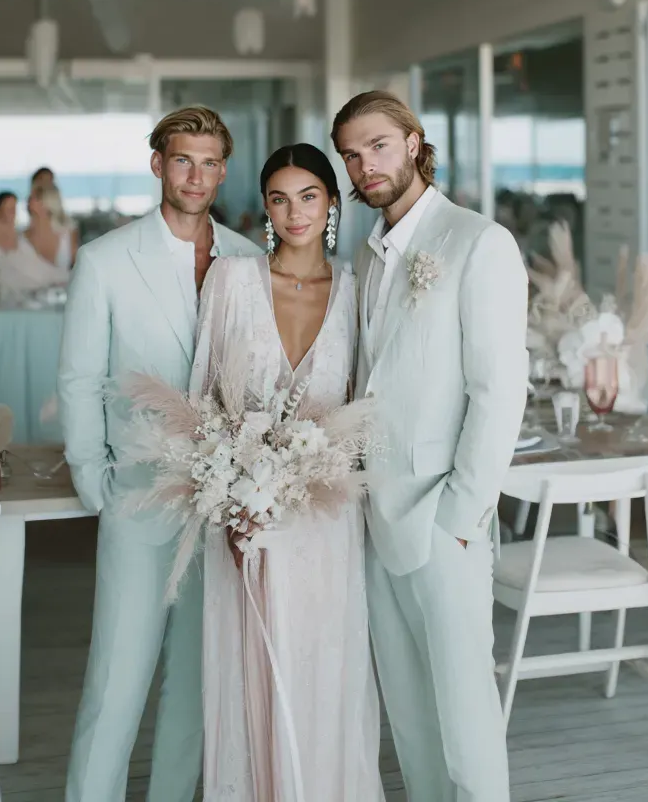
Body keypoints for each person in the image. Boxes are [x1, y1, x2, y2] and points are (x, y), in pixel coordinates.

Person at [59, 106, 262, 802]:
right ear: (158, 165)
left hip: (221, 509)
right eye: (183, 160)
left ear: (223, 171)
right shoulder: (105, 260)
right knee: (116, 684)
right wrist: (97, 484)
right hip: (139, 499)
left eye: (209, 163)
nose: (196, 175)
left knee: (196, 692)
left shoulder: (249, 258)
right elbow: (80, 380)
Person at [333, 90, 528, 802]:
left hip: (444, 521)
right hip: (374, 518)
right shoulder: (369, 252)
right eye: (351, 154)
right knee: (410, 721)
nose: (365, 165)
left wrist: (461, 518)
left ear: (415, 143)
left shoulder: (478, 241)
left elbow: (500, 391)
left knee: (465, 723)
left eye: (378, 145)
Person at [190, 144, 383, 801]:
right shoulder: (232, 280)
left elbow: (365, 416)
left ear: (331, 203)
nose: (294, 211)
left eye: (308, 196)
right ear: (265, 209)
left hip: (327, 529)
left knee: (324, 671)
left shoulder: (358, 292)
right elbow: (201, 405)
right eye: (279, 197)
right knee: (248, 676)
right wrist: (228, 498)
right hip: (244, 522)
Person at [25, 184, 78, 272]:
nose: (29, 201)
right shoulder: (25, 236)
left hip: (64, 284)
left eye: (35, 198)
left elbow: (76, 264)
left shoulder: (67, 232)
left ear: (47, 202)